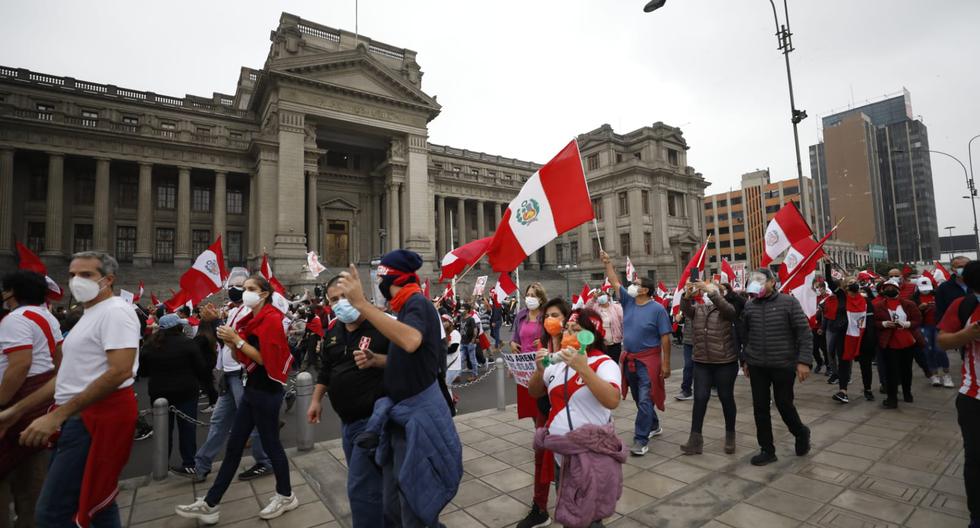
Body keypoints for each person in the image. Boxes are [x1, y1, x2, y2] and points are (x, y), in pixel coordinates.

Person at [338, 250, 461, 527]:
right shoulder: (404, 307)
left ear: (390, 277)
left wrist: (361, 304)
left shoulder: (416, 303)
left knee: (413, 502)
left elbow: (411, 341)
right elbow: (409, 357)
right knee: (393, 501)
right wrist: (378, 360)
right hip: (399, 419)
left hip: (416, 419)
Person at [17, 252, 140, 527]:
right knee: (96, 502)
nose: (75, 280)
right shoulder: (89, 314)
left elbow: (120, 370)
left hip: (94, 417)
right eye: (72, 274)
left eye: (86, 275)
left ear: (107, 280)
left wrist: (57, 416)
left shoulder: (116, 312)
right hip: (80, 416)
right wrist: (16, 411)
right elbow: (65, 377)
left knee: (53, 512)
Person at [176, 275, 297, 523]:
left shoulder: (272, 319)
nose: (245, 293)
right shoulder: (249, 319)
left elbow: (265, 360)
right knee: (233, 448)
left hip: (267, 391)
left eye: (251, 289)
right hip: (252, 388)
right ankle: (210, 504)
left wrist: (237, 341)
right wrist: (229, 339)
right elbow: (244, 356)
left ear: (264, 294)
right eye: (244, 289)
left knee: (272, 445)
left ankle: (285, 495)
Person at [307, 275, 393, 528]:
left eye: (344, 296)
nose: (339, 303)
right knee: (377, 482)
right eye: (334, 299)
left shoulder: (383, 325)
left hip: (373, 423)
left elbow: (411, 362)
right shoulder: (334, 330)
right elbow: (327, 369)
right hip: (347, 423)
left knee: (360, 489)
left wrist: (378, 359)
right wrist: (315, 399)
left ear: (358, 294)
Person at [528, 308, 624, 528]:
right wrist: (538, 370)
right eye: (567, 329)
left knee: (590, 515)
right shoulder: (557, 363)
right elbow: (535, 392)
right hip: (562, 455)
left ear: (589, 335)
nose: (567, 334)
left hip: (592, 456)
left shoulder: (604, 363)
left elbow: (612, 400)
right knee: (569, 508)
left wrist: (584, 369)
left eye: (576, 330)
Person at [181, 269, 273, 482]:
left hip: (243, 373)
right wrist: (212, 322)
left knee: (254, 420)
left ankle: (265, 460)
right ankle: (201, 464)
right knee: (219, 421)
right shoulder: (232, 312)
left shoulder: (253, 313)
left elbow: (237, 340)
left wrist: (214, 323)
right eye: (236, 285)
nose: (237, 289)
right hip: (229, 373)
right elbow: (224, 339)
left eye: (246, 287)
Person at [0, 270, 62, 528]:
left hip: (16, 407)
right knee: (32, 486)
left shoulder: (15, 319)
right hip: (39, 405)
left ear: (12, 292)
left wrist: (3, 403)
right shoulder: (47, 316)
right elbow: (59, 359)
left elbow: (19, 365)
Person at [600, 251, 671, 457]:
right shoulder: (628, 302)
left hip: (649, 361)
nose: (632, 284)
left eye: (637, 283)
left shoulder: (658, 309)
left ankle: (641, 439)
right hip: (629, 358)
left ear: (645, 290)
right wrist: (608, 263)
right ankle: (654, 424)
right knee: (641, 398)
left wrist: (665, 364)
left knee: (645, 398)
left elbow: (665, 338)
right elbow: (614, 282)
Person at [740, 268, 813, 466]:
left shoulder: (788, 302)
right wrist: (745, 361)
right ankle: (767, 449)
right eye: (753, 280)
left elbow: (804, 333)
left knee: (784, 403)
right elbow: (745, 336)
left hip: (783, 364)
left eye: (761, 280)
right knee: (760, 407)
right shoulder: (749, 305)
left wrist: (804, 361)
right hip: (757, 365)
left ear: (772, 282)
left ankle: (800, 432)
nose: (757, 284)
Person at [138, 313, 212, 475]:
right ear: (178, 326)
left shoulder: (149, 346)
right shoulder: (188, 344)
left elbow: (142, 371)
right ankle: (189, 463)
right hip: (186, 391)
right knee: (187, 430)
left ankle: (161, 465)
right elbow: (201, 368)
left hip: (159, 393)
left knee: (163, 431)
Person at [936, 260, 980, 528]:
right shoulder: (963, 306)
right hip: (973, 396)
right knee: (975, 458)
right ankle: (976, 514)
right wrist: (967, 334)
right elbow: (942, 340)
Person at [512, 283, 555, 528]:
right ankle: (540, 507)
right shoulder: (520, 316)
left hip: (548, 378)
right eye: (527, 295)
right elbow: (516, 338)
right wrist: (513, 348)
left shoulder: (550, 326)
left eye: (533, 295)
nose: (529, 299)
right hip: (528, 372)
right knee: (537, 423)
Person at [679, 279, 738, 455]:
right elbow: (686, 310)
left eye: (710, 292)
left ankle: (730, 435)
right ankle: (695, 439)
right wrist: (686, 296)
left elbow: (730, 311)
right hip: (702, 361)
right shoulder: (698, 310)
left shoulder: (725, 309)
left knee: (726, 397)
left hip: (724, 362)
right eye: (705, 292)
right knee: (700, 398)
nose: (706, 295)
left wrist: (712, 291)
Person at [874, 278, 921, 409]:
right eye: (887, 288)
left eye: (892, 287)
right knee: (891, 372)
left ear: (898, 290)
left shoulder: (909, 304)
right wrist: (884, 324)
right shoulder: (878, 306)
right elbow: (874, 322)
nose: (889, 290)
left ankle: (907, 393)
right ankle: (892, 398)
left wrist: (906, 324)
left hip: (907, 341)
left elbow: (917, 320)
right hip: (889, 343)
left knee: (906, 370)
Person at [831, 278, 875, 404]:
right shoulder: (842, 298)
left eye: (854, 281)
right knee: (844, 363)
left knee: (865, 364)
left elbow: (871, 321)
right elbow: (830, 281)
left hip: (863, 336)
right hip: (845, 336)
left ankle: (868, 389)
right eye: (849, 283)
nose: (852, 284)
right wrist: (827, 265)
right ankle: (843, 391)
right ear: (845, 288)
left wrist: (871, 338)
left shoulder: (866, 301)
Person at [916, 276, 954, 388]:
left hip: (939, 326)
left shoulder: (938, 295)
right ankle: (934, 375)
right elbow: (912, 314)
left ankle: (946, 374)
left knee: (940, 350)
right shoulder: (915, 298)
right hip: (924, 327)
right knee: (928, 350)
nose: (925, 290)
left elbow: (948, 308)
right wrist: (920, 308)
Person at [586, 287, 624, 365]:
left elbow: (623, 321)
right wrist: (593, 299)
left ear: (608, 297)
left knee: (613, 363)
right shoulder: (595, 307)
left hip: (614, 342)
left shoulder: (616, 307)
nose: (601, 297)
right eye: (599, 296)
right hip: (600, 342)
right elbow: (586, 309)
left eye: (603, 295)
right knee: (601, 363)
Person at [936, 256, 971, 324]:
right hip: (954, 328)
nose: (964, 269)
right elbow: (940, 312)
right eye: (960, 267)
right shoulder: (943, 288)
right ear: (952, 269)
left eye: (967, 266)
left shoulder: (977, 285)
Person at [459, 302, 480, 378]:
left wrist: (472, 341)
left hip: (470, 343)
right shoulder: (461, 318)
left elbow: (475, 330)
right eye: (461, 308)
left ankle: (475, 374)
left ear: (467, 310)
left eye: (463, 308)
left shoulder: (471, 319)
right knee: (461, 359)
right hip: (462, 342)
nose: (461, 310)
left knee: (472, 360)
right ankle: (457, 375)